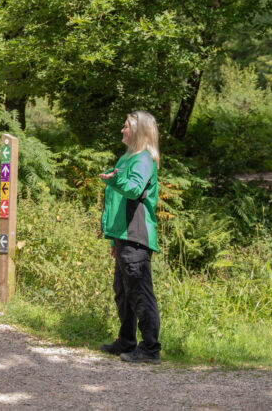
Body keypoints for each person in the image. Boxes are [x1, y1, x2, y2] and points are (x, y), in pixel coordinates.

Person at [98, 110, 162, 364]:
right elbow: (117, 203)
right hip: (123, 236)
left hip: (136, 235)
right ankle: (126, 341)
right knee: (123, 293)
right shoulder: (127, 158)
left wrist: (113, 181)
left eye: (126, 126)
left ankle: (150, 349)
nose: (122, 130)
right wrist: (114, 240)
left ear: (138, 131)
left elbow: (134, 190)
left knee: (140, 293)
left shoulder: (143, 160)